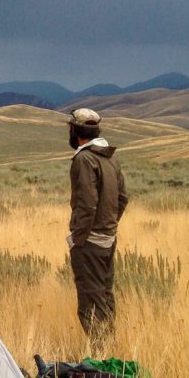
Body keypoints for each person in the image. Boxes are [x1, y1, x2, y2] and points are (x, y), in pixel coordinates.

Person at [67, 108, 129, 344]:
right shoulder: (110, 156)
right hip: (108, 238)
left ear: (76, 131)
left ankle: (101, 358)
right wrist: (109, 225)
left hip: (90, 242)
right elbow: (122, 197)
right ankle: (109, 351)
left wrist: (78, 238)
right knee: (104, 295)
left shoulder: (84, 159)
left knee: (90, 302)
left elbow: (87, 205)